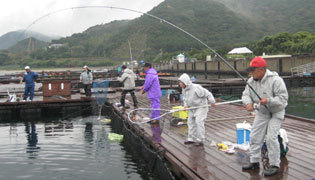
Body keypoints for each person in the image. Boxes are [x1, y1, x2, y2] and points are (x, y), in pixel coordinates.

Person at [241, 57, 288, 176]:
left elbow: (283, 99)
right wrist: (248, 103)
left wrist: (269, 101)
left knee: (271, 137)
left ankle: (274, 165)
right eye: (250, 70)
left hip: (276, 112)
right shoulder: (251, 81)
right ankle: (254, 162)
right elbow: (245, 95)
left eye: (253, 70)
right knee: (254, 136)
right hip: (262, 112)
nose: (251, 73)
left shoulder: (276, 80)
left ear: (261, 70)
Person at [178, 73, 215, 146]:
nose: (180, 84)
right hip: (192, 107)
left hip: (201, 107)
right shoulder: (184, 90)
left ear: (185, 82)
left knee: (199, 122)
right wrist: (185, 106)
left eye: (181, 82)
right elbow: (185, 98)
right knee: (190, 122)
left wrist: (212, 101)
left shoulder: (196, 88)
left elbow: (207, 93)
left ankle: (200, 139)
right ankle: (191, 138)